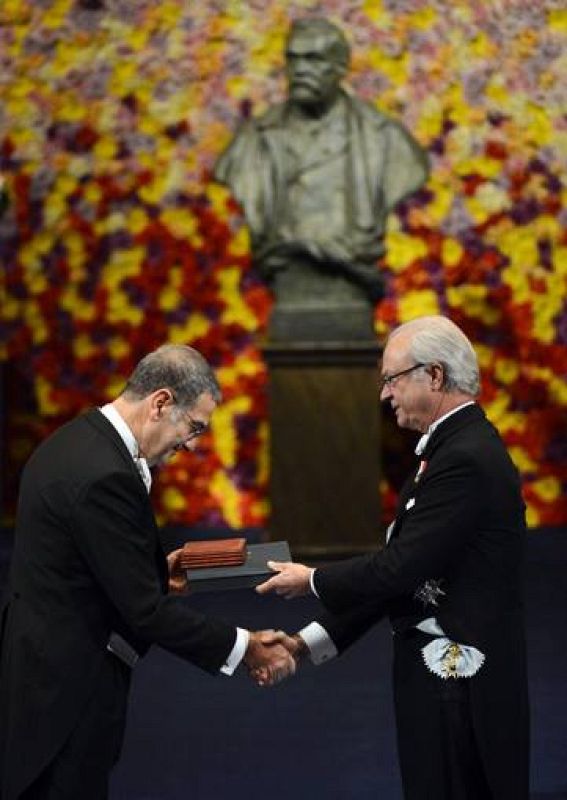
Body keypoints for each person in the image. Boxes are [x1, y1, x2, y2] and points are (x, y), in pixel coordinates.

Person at [0, 344, 295, 800]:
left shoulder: (78, 441)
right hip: (65, 692)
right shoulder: (106, 475)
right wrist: (247, 647)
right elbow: (145, 613)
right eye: (194, 426)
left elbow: (88, 561)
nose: (193, 444)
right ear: (160, 402)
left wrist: (153, 570)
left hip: (41, 671)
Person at [256, 316, 530, 800]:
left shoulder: (464, 458)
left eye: (392, 379)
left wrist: (312, 579)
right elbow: (398, 576)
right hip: (442, 684)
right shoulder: (446, 452)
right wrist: (302, 645)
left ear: (436, 376)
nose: (385, 395)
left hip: (459, 691)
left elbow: (398, 568)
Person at [214, 18, 429, 341]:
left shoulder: (384, 139)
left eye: (313, 59)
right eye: (293, 58)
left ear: (341, 67)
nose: (300, 69)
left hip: (352, 296)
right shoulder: (254, 140)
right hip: (288, 291)